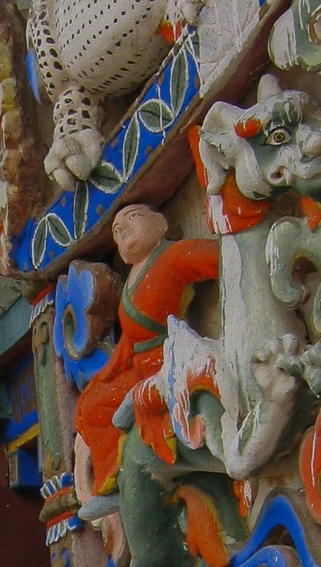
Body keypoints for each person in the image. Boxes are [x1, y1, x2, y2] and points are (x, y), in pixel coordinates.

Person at [75, 204, 219, 513]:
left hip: (167, 361)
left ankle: (140, 463)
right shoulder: (132, 280)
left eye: (134, 217)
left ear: (162, 224)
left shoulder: (173, 256)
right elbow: (129, 341)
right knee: (92, 403)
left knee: (129, 405)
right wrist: (104, 376)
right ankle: (113, 480)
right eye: (115, 230)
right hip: (140, 363)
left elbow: (222, 257)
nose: (122, 229)